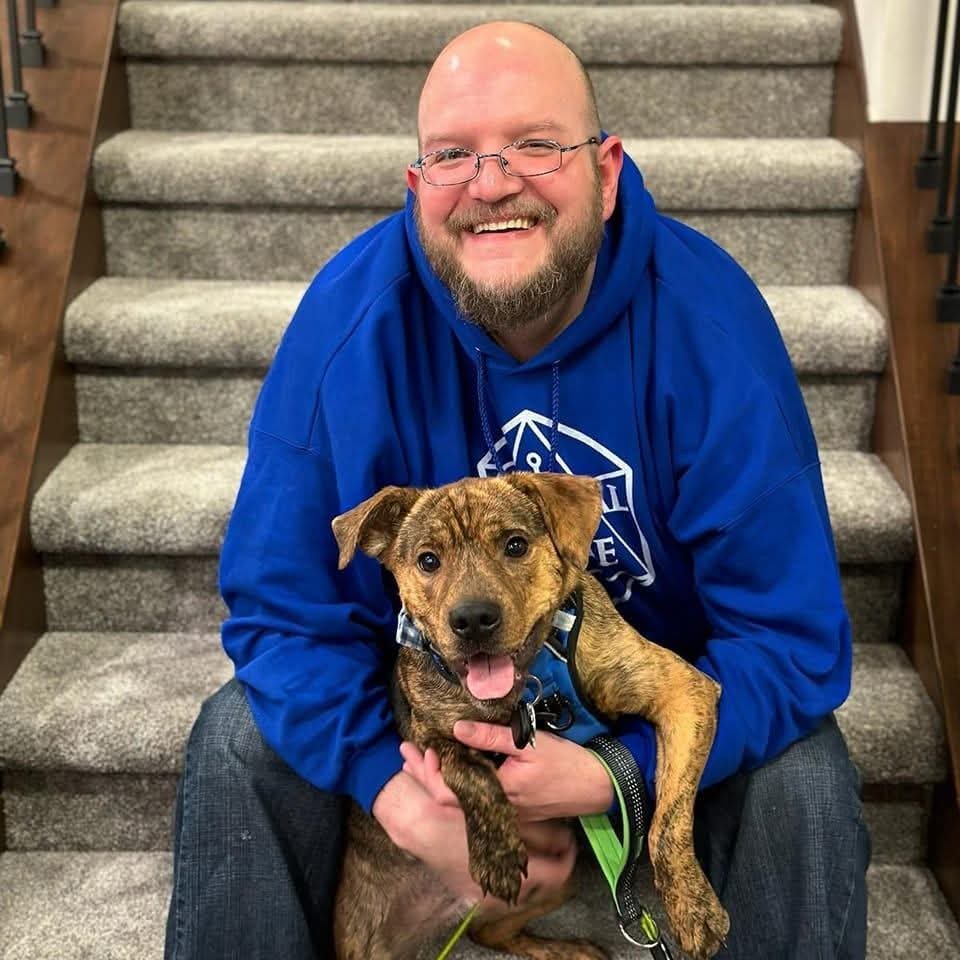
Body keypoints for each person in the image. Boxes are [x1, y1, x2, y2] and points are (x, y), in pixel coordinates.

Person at [163, 19, 871, 960]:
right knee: (236, 739)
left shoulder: (713, 331)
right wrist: (397, 793)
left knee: (806, 778)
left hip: (642, 703)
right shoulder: (346, 324)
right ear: (418, 189)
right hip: (437, 718)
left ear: (608, 170)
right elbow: (283, 615)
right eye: (454, 155)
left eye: (537, 145)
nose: (492, 183)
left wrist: (620, 772)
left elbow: (792, 642)